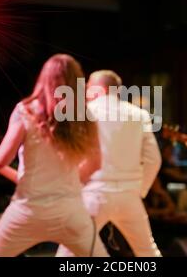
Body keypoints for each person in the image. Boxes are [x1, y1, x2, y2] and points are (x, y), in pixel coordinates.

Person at [0, 54, 108, 257]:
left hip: (28, 210)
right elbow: (96, 162)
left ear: (44, 79)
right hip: (70, 210)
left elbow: (1, 160)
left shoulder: (26, 111)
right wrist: (69, 182)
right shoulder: (85, 117)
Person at [56, 70, 162, 257]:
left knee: (69, 251)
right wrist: (140, 190)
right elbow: (154, 159)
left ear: (99, 89)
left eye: (88, 86)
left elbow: (72, 155)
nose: (86, 91)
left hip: (95, 192)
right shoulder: (139, 114)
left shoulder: (85, 111)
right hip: (129, 195)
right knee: (148, 252)